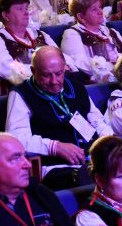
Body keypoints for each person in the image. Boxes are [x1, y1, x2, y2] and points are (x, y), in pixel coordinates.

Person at [7, 46, 110, 189]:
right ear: (33, 71)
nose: (54, 81)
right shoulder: (21, 94)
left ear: (65, 68)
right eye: (46, 75)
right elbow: (15, 139)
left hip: (91, 159)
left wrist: (107, 140)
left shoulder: (76, 86)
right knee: (91, 178)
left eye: (58, 73)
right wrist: (55, 147)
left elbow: (96, 120)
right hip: (55, 167)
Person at [0, 0, 58, 86]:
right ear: (5, 15)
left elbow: (60, 57)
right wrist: (46, 72)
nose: (26, 13)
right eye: (20, 9)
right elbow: (5, 68)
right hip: (24, 91)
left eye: (26, 8)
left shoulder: (40, 34)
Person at [59, 0, 122, 83]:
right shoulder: (72, 34)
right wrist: (110, 69)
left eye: (100, 7)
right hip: (99, 83)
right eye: (94, 9)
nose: (100, 11)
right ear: (81, 17)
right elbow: (79, 64)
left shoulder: (111, 32)